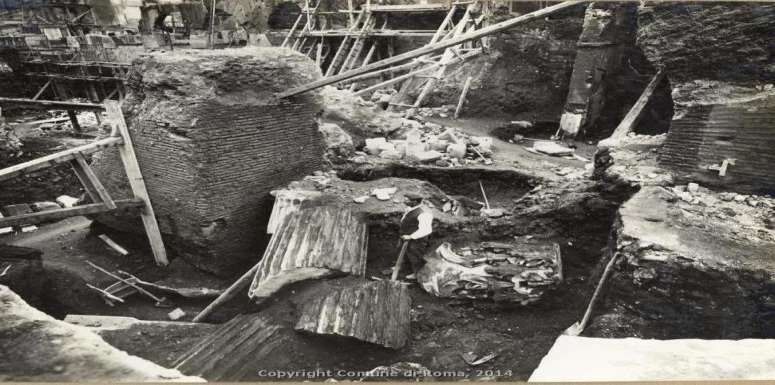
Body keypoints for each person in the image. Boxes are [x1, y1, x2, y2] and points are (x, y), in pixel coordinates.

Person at [391, 200, 434, 281]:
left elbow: (426, 230)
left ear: (415, 201)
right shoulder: (413, 208)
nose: (406, 201)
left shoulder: (425, 213)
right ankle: (401, 266)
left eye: (408, 200)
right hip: (406, 236)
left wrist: (411, 236)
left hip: (417, 240)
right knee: (402, 251)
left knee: (415, 256)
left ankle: (417, 273)